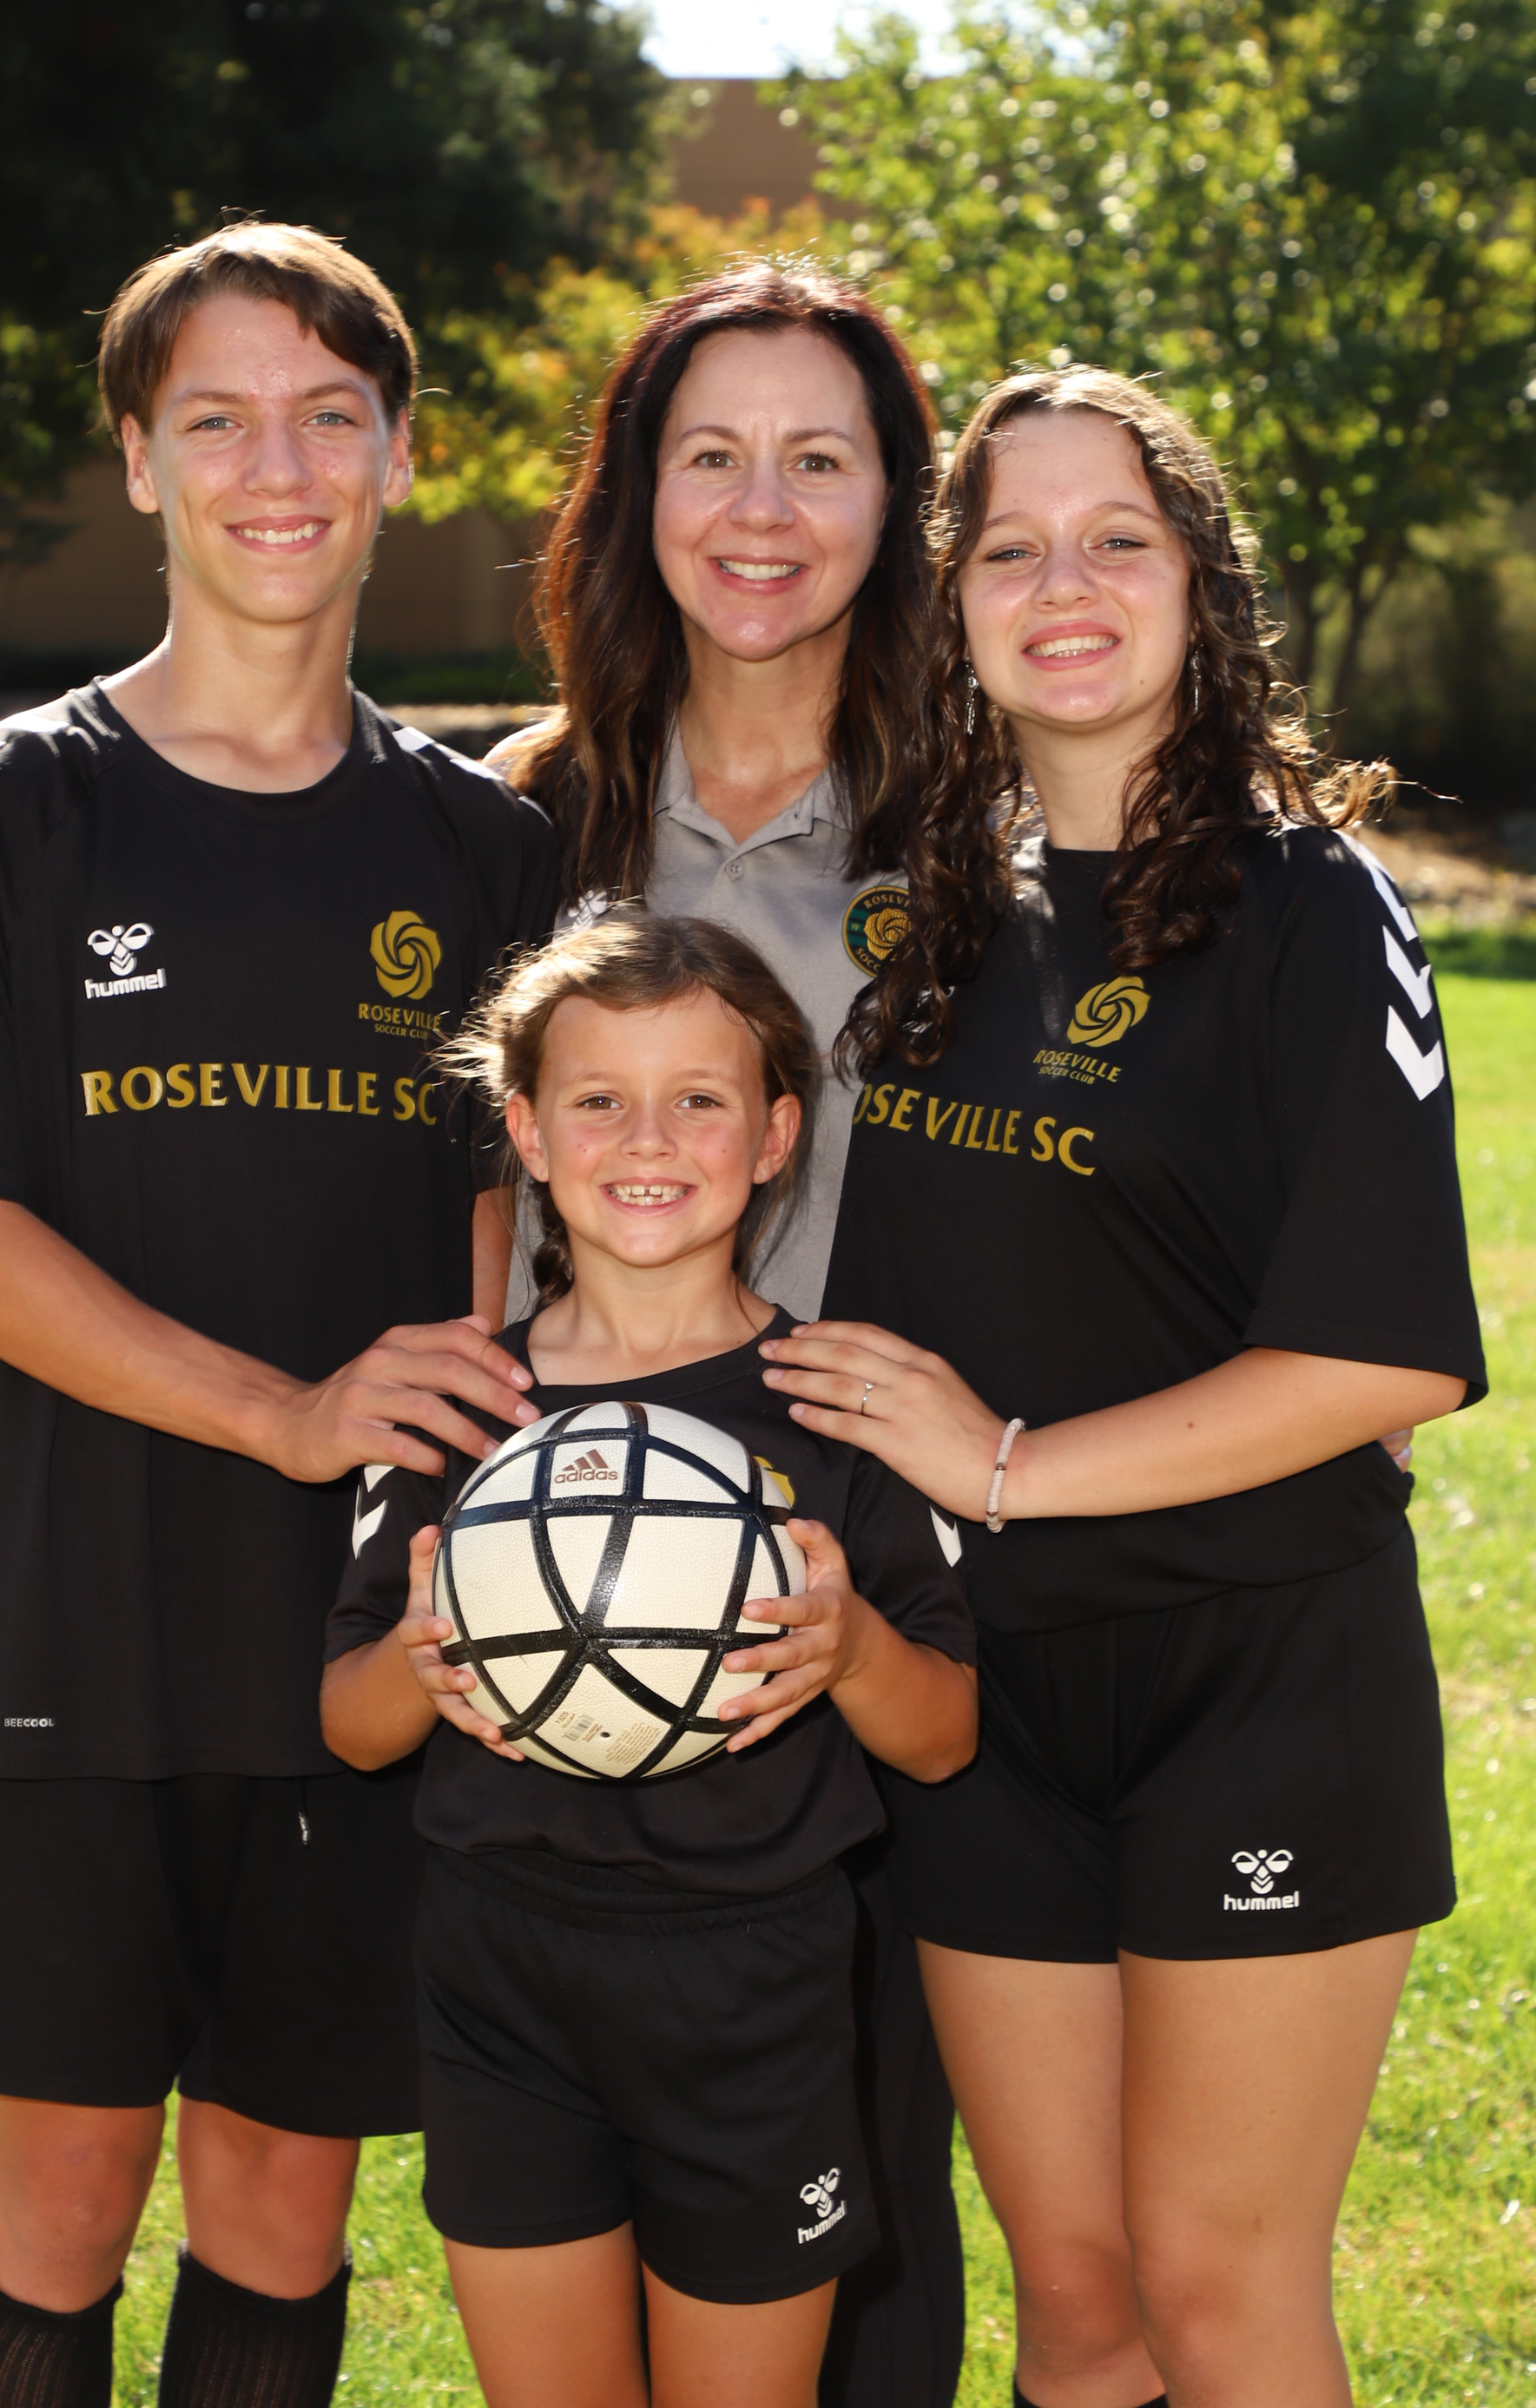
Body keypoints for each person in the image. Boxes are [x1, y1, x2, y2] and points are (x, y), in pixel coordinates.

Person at [0, 220, 557, 2408]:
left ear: (402, 455)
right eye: (217, 418)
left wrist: (458, 1512)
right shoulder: (13, 802)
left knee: (279, 2198)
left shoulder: (483, 851)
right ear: (140, 462)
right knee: (57, 2190)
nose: (278, 467)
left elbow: (495, 1235)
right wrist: (283, 1411)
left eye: (330, 415)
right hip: (77, 1617)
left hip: (356, 1647)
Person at [763, 367, 1485, 2408]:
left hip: (1252, 1677)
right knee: (1078, 2302)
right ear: (952, 603)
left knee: (1217, 2288)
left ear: (1201, 584)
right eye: (1008, 549)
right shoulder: (934, 907)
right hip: (990, 1698)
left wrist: (999, 1460)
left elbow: (1385, 1355)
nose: (1059, 586)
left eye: (1114, 540)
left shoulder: (1311, 907)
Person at [487, 262, 969, 2405]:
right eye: (710, 454)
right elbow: (460, 1188)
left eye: (818, 457)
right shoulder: (521, 814)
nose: (760, 509)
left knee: (862, 2203)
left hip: (889, 1563)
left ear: (895, 503)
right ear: (635, 494)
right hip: (583, 1569)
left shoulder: (983, 831)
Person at [320, 911, 979, 2408]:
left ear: (777, 1134)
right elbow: (350, 1726)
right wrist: (421, 1659)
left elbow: (942, 1736)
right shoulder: (460, 1406)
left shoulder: (839, 1402)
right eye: (598, 1099)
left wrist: (848, 1649)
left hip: (755, 1976)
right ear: (526, 1133)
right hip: (498, 1971)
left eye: (700, 1099)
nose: (648, 1139)